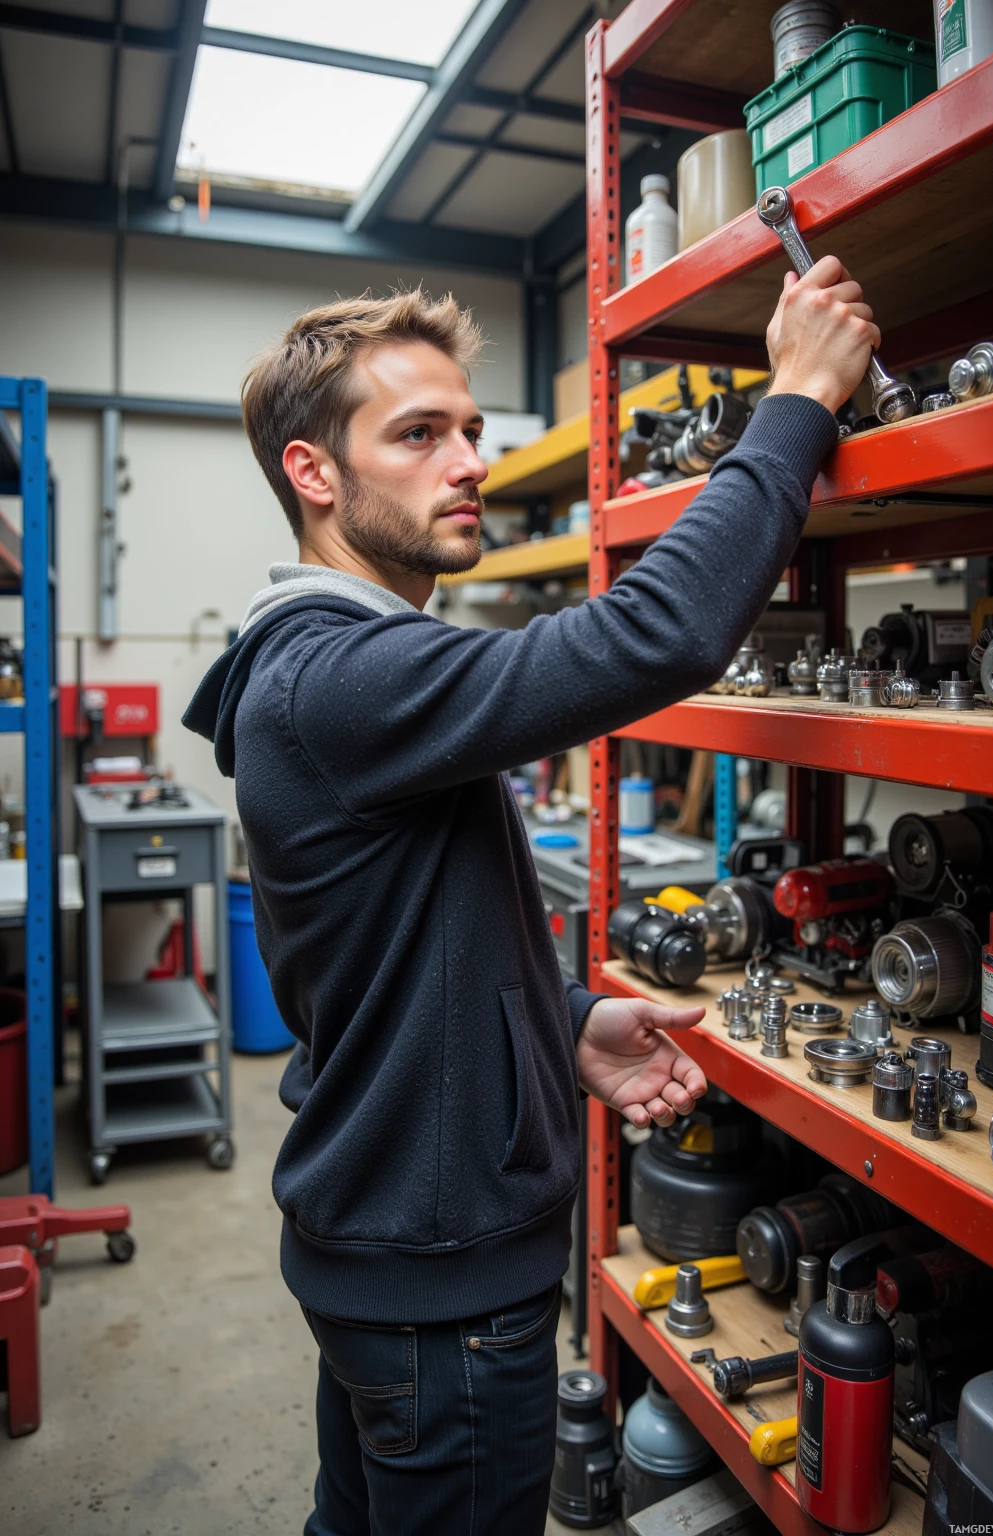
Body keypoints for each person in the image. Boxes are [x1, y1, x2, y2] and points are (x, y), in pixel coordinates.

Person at [184, 257, 879, 1536]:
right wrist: (796, 403)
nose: (469, 463)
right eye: (418, 435)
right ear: (313, 474)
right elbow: (652, 636)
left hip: (392, 1254)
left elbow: (408, 944)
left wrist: (561, 1026)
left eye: (470, 432)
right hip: (441, 1284)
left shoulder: (347, 676)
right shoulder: (337, 675)